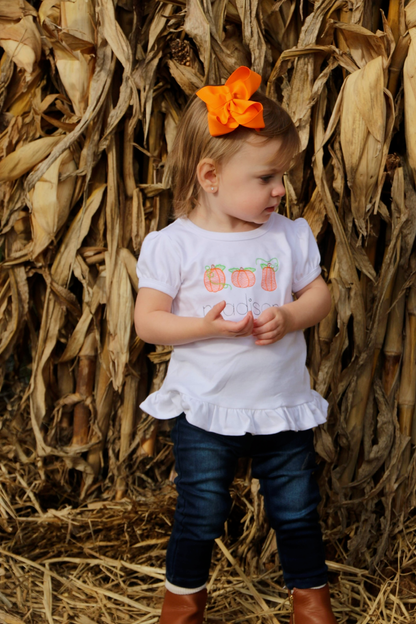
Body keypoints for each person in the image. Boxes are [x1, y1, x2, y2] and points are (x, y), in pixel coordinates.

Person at [134, 66, 336, 624]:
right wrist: (206, 327)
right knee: (200, 511)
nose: (280, 190)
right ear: (210, 175)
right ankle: (182, 605)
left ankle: (311, 602)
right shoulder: (174, 245)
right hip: (205, 406)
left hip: (280, 404)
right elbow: (149, 322)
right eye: (267, 177)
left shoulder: (289, 235)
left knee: (296, 510)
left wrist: (292, 314)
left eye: (284, 176)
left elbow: (323, 298)